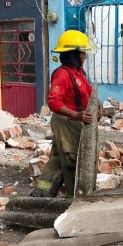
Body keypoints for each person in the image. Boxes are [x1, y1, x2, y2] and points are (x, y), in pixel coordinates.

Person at [31, 30, 94, 197]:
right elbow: (53, 102)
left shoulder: (79, 73)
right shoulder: (62, 74)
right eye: (83, 53)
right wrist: (76, 115)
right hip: (67, 123)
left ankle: (41, 193)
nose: (85, 57)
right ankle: (74, 197)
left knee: (58, 160)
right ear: (75, 54)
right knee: (72, 161)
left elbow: (86, 92)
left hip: (74, 122)